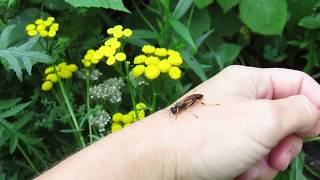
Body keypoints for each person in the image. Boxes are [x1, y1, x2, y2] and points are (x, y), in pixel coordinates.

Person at [37, 65, 320, 180]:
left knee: (197, 104)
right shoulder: (177, 109)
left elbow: (190, 102)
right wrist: (173, 149)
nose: (177, 109)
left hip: (198, 99)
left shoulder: (187, 104)